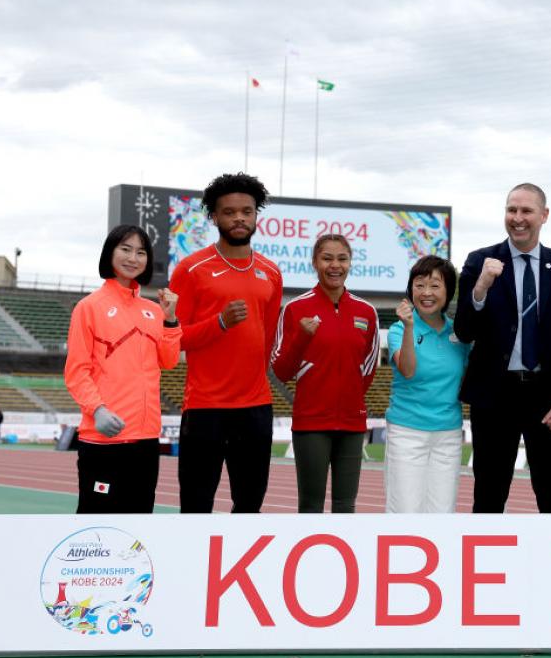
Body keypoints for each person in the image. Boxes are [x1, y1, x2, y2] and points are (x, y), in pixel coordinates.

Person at [454, 183, 551, 513]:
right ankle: (485, 563)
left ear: (544, 215)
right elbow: (464, 329)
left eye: (526, 210)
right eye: (511, 210)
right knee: (488, 494)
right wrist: (482, 286)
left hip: (548, 398)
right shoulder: (478, 262)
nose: (518, 218)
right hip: (495, 396)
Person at [169, 172, 283, 513]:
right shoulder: (191, 269)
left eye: (246, 211)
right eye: (230, 212)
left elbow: (266, 340)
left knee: (249, 506)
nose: (239, 218)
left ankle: (240, 568)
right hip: (205, 407)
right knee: (196, 505)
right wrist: (219, 323)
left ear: (255, 215)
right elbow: (173, 338)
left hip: (255, 408)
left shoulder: (271, 272)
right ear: (214, 216)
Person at [63, 225, 180, 513]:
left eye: (141, 252)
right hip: (104, 439)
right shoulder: (89, 307)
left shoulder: (153, 310)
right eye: (125, 249)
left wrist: (170, 320)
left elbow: (168, 361)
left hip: (146, 439)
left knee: (138, 523)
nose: (133, 258)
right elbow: (76, 371)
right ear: (110, 253)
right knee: (96, 521)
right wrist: (98, 410)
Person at [271, 234, 379, 513]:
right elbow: (281, 371)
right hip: (311, 424)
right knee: (310, 506)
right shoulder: (295, 309)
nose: (335, 265)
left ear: (350, 263)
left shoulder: (367, 312)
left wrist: (349, 398)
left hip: (352, 424)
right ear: (314, 263)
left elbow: (367, 369)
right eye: (327, 258)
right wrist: (302, 339)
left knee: (346, 506)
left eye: (342, 258)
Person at [384, 255, 470, 513]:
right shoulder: (399, 329)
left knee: (442, 512)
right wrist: (409, 327)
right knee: (405, 511)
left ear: (448, 291)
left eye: (435, 285)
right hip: (407, 432)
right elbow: (408, 370)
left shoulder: (461, 334)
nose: (426, 292)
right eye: (419, 285)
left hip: (448, 434)